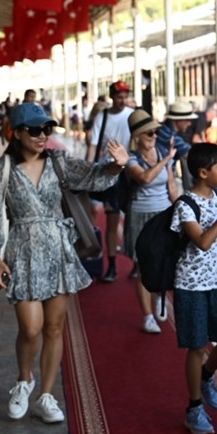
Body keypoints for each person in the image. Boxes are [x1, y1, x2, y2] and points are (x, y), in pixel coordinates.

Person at [0, 102, 130, 424]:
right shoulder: (2, 168)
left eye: (47, 129)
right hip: (22, 252)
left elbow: (93, 177)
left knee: (53, 327)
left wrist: (117, 166)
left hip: (58, 250)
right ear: (17, 133)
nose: (42, 135)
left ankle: (46, 395)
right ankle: (24, 380)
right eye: (35, 130)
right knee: (30, 327)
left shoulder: (59, 161)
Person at [172, 142, 217, 434]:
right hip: (191, 285)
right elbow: (203, 241)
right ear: (203, 172)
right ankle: (194, 409)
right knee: (196, 346)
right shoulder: (185, 205)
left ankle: (206, 374)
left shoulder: (215, 195)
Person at [123, 108, 178, 333]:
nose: (154, 136)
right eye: (149, 133)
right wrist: (167, 159)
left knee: (164, 261)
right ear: (137, 137)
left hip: (163, 213)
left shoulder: (163, 151)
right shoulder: (130, 158)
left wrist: (181, 209)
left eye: (155, 132)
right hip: (140, 215)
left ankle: (159, 296)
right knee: (144, 267)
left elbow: (171, 185)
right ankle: (147, 316)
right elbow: (144, 178)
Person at [86, 80, 134, 282]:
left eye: (125, 97)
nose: (122, 101)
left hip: (130, 171)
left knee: (132, 219)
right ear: (112, 97)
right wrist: (88, 172)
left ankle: (136, 262)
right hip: (110, 173)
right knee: (112, 220)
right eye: (119, 97)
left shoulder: (132, 115)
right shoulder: (102, 116)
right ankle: (112, 265)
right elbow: (93, 146)